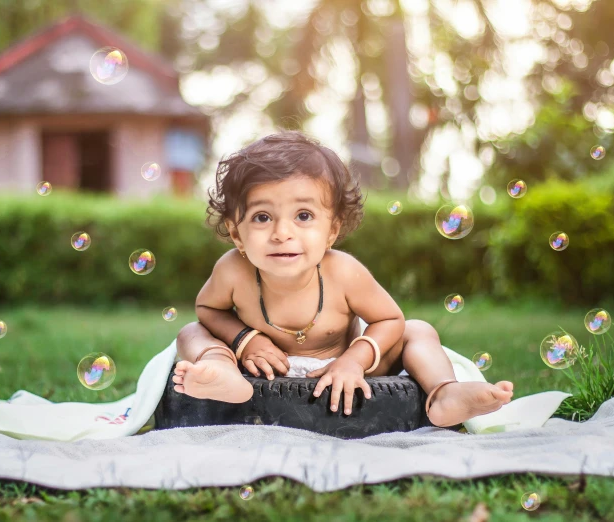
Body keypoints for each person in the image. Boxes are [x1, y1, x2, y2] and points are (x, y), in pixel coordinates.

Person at [172, 131, 513, 427]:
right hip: (262, 368)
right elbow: (208, 309)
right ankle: (222, 374)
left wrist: (354, 361)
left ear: (332, 230)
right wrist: (245, 340)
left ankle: (444, 393)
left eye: (303, 215)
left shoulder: (343, 271)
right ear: (236, 232)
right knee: (190, 332)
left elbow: (390, 319)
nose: (282, 233)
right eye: (262, 217)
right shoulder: (232, 270)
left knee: (418, 330)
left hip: (344, 364)